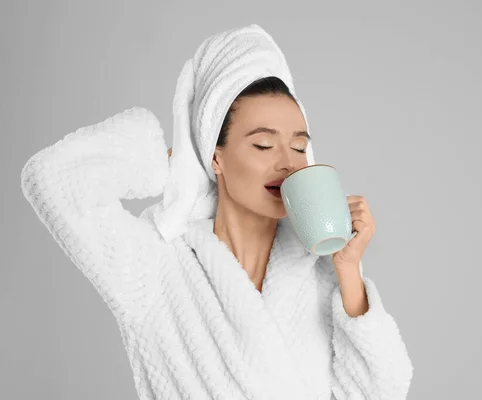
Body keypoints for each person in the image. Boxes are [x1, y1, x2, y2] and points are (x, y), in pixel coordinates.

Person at [21, 24, 413, 399]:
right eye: (263, 145)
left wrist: (348, 271)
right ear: (215, 157)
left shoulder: (321, 266)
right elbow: (51, 178)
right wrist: (165, 161)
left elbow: (381, 392)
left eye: (298, 147)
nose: (288, 163)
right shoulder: (154, 266)